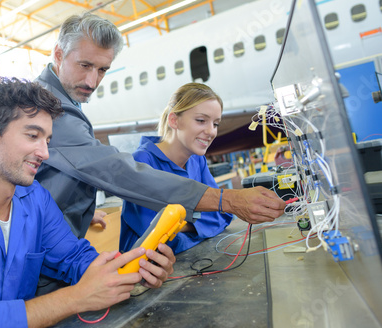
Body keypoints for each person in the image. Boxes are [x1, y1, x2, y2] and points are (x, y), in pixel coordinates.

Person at [0, 77, 175, 328]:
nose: (44, 152)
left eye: (47, 140)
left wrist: (134, 269)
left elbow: (75, 259)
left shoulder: (34, 198)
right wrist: (75, 299)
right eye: (33, 136)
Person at [34, 13, 286, 240]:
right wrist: (225, 199)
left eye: (102, 70)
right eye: (85, 65)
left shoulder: (65, 100)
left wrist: (79, 210)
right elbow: (113, 172)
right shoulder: (45, 107)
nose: (92, 81)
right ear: (58, 54)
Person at [121, 83, 233, 254]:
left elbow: (223, 214)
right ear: (174, 120)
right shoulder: (142, 162)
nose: (211, 132)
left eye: (216, 123)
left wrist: (183, 225)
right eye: (201, 121)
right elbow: (156, 239)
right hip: (143, 269)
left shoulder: (198, 160)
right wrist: (201, 225)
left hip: (188, 258)